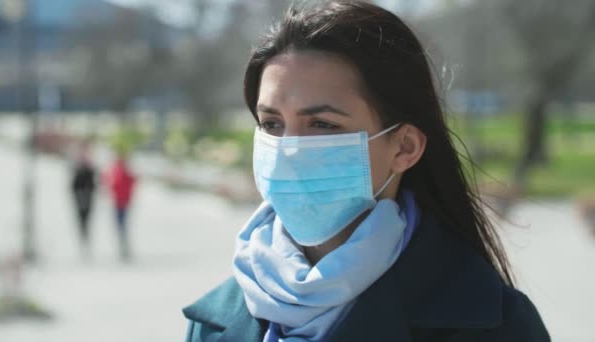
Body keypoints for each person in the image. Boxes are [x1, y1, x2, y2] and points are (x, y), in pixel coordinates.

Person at [182, 2, 550, 341]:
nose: (288, 150)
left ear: (404, 147)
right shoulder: (212, 324)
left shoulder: (493, 325)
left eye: (322, 124)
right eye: (272, 123)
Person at [104, 153, 136, 262]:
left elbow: (131, 183)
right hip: (118, 202)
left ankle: (123, 246)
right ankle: (122, 246)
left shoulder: (124, 171)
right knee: (120, 225)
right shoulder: (116, 170)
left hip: (123, 202)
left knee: (121, 225)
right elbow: (109, 182)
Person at [71, 143, 96, 259]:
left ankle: (86, 240)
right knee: (81, 220)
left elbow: (93, 184)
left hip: (88, 197)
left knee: (87, 220)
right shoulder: (77, 168)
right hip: (80, 197)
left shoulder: (90, 168)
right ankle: (83, 240)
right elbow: (73, 185)